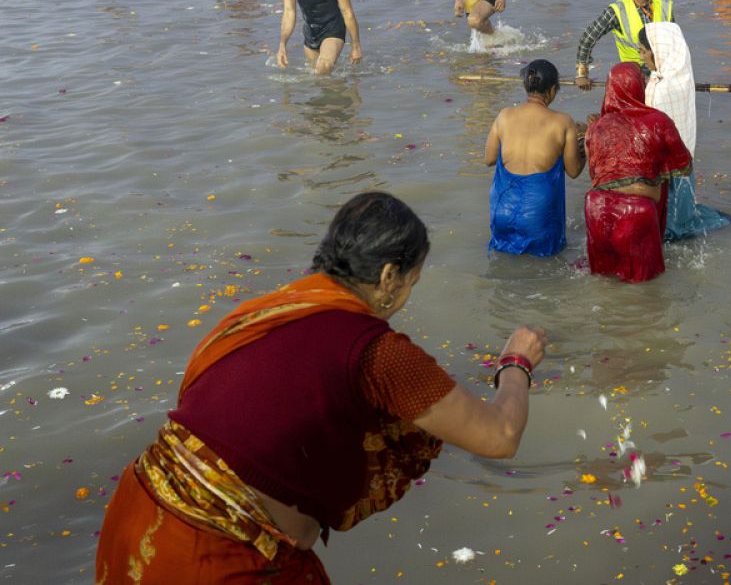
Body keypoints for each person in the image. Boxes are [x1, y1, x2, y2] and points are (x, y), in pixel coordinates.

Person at [94, 192, 549, 584]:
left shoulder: (260, 313)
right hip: (213, 554)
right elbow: (499, 435)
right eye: (411, 283)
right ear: (389, 276)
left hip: (138, 514)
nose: (406, 297)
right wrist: (516, 362)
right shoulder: (376, 353)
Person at [583, 63, 692, 282]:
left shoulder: (596, 127)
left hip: (595, 207)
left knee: (603, 283)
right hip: (636, 212)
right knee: (644, 293)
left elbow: (594, 175)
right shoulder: (658, 121)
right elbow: (684, 166)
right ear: (639, 88)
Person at [639, 22, 731, 240]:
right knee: (680, 208)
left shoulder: (659, 88)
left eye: (643, 51)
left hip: (665, 165)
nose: (641, 57)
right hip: (684, 158)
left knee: (667, 221)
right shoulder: (680, 75)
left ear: (657, 51)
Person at [484, 60, 586, 257]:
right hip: (538, 215)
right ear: (552, 90)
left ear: (526, 86)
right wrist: (585, 143)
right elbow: (573, 171)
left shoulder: (504, 115)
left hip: (502, 211)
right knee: (545, 276)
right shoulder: (564, 122)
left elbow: (489, 158)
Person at [575, 0, 673, 88]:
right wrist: (582, 74)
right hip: (634, 80)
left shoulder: (665, 5)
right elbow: (588, 38)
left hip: (664, 78)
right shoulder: (617, 11)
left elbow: (676, 45)